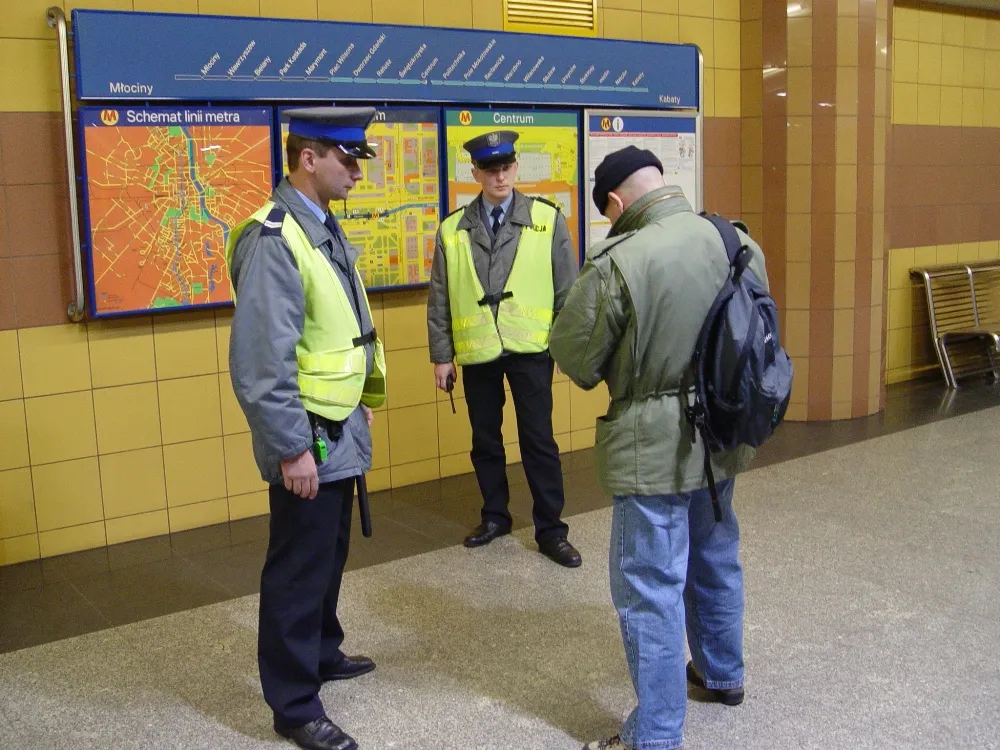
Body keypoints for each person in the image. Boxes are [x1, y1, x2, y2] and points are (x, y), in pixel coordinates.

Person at [549, 146, 765, 750]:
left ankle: (657, 733)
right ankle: (723, 672)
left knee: (650, 585)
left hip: (653, 446)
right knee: (717, 551)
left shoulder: (622, 257)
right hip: (723, 431)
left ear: (616, 203)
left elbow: (575, 356)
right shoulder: (736, 241)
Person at [226, 107, 388, 750]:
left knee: (328, 552)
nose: (355, 169)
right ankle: (294, 704)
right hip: (308, 433)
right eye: (345, 157)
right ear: (306, 158)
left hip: (337, 420)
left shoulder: (319, 224)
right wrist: (291, 447)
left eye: (359, 158)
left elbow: (334, 332)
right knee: (299, 563)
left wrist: (358, 399)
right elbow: (262, 364)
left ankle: (322, 650)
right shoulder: (274, 237)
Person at [426, 129, 582, 568]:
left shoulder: (548, 219)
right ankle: (495, 516)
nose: (499, 176)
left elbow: (567, 291)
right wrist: (442, 355)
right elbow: (439, 297)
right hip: (478, 354)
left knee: (539, 442)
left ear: (516, 168)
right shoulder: (453, 229)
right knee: (485, 442)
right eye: (489, 169)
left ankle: (552, 530)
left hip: (532, 350)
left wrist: (566, 348)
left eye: (506, 167)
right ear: (474, 172)